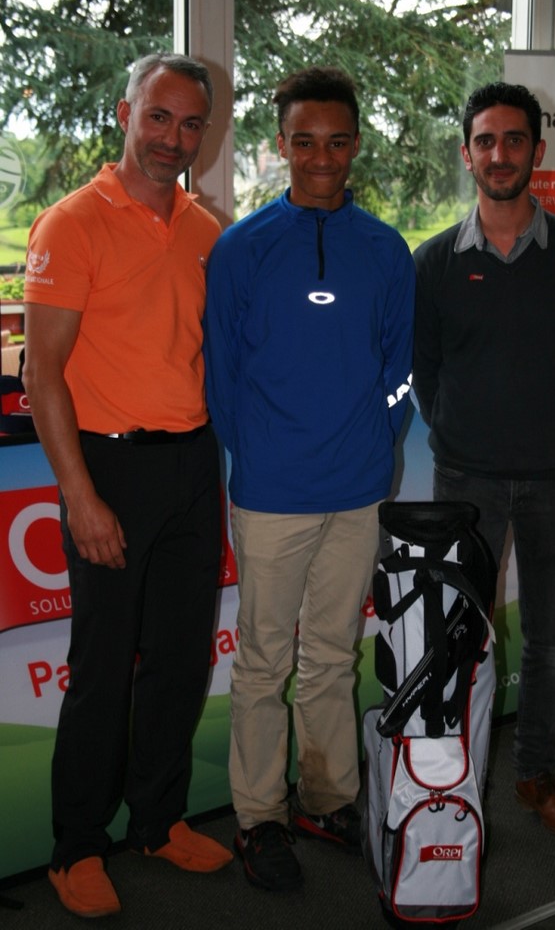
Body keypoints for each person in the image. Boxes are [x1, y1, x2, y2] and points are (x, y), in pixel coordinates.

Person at [22, 53, 233, 919]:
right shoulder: (72, 222)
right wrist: (80, 496)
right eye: (159, 117)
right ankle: (75, 847)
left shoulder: (205, 229)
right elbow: (42, 374)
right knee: (102, 668)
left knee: (180, 660)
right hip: (107, 468)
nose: (173, 140)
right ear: (124, 114)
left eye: (190, 125)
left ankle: (155, 821)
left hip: (192, 464)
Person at [203, 66, 415, 891]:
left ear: (355, 144)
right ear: (281, 144)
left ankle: (326, 799)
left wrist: (373, 436)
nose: (320, 158)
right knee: (263, 661)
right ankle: (258, 816)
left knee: (328, 655)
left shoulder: (384, 248)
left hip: (358, 489)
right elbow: (222, 377)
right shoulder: (242, 248)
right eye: (303, 142)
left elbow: (399, 368)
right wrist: (261, 453)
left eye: (335, 141)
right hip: (272, 494)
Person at [412, 81, 555, 841]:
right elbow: (425, 370)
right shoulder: (434, 261)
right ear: (467, 154)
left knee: (550, 640)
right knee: (457, 636)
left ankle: (535, 773)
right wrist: (464, 430)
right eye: (485, 141)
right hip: (464, 478)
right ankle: (449, 783)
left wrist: (553, 429)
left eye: (513, 140)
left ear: (537, 150)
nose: (499, 154)